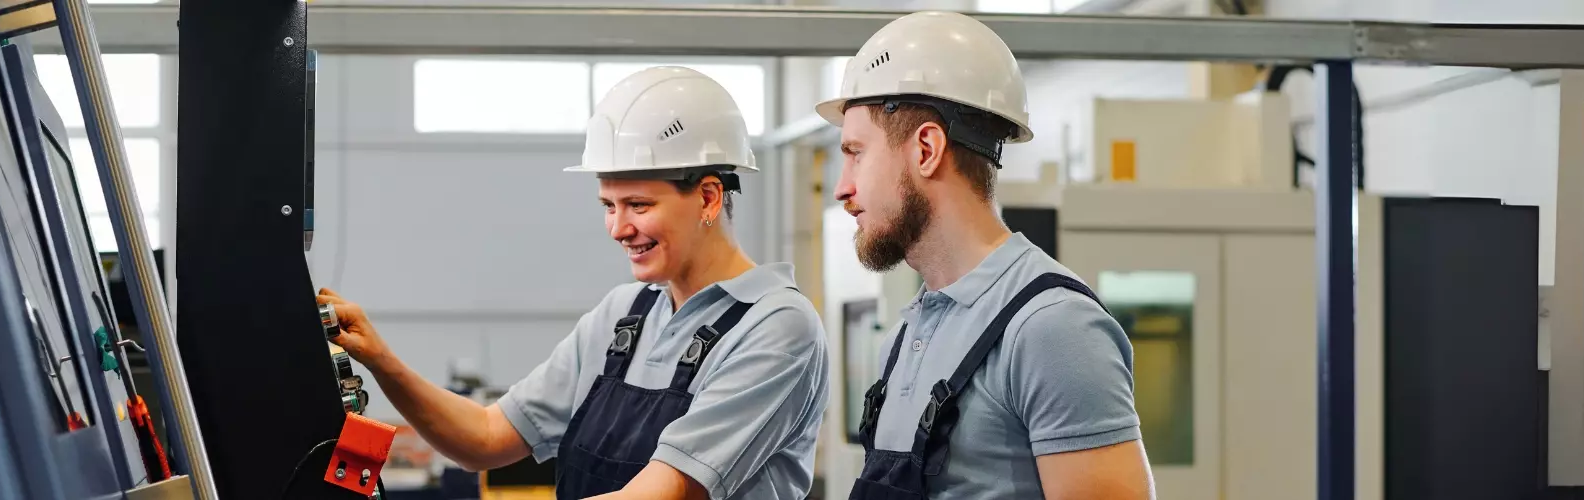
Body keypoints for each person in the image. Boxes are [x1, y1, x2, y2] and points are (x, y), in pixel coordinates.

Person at [318, 66, 829, 500]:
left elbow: (663, 492)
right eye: (609, 205)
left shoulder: (777, 328)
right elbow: (487, 436)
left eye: (639, 205)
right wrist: (380, 359)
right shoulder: (623, 316)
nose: (618, 228)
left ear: (709, 198)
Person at [818, 11, 1155, 500]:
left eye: (856, 153)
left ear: (927, 149)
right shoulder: (908, 334)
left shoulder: (1052, 330)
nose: (842, 188)